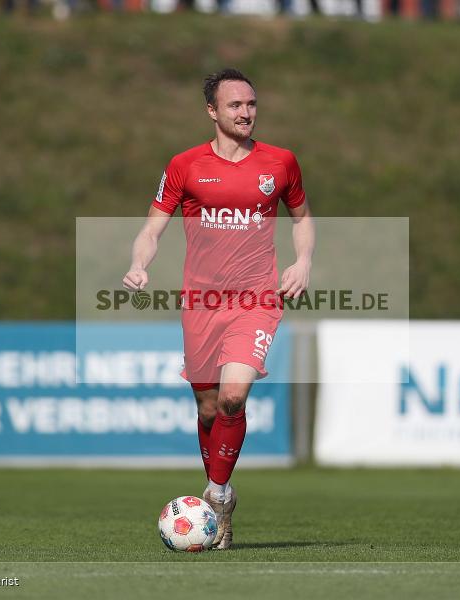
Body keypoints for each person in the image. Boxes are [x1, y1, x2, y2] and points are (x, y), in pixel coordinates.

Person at [123, 68, 314, 550]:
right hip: (202, 303)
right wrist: (139, 264)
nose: (245, 112)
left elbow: (302, 218)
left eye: (250, 104)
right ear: (212, 111)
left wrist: (304, 261)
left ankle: (216, 495)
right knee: (209, 409)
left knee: (232, 396)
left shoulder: (280, 162)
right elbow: (152, 228)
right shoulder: (185, 165)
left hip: (257, 298)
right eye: (234, 105)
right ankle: (222, 497)